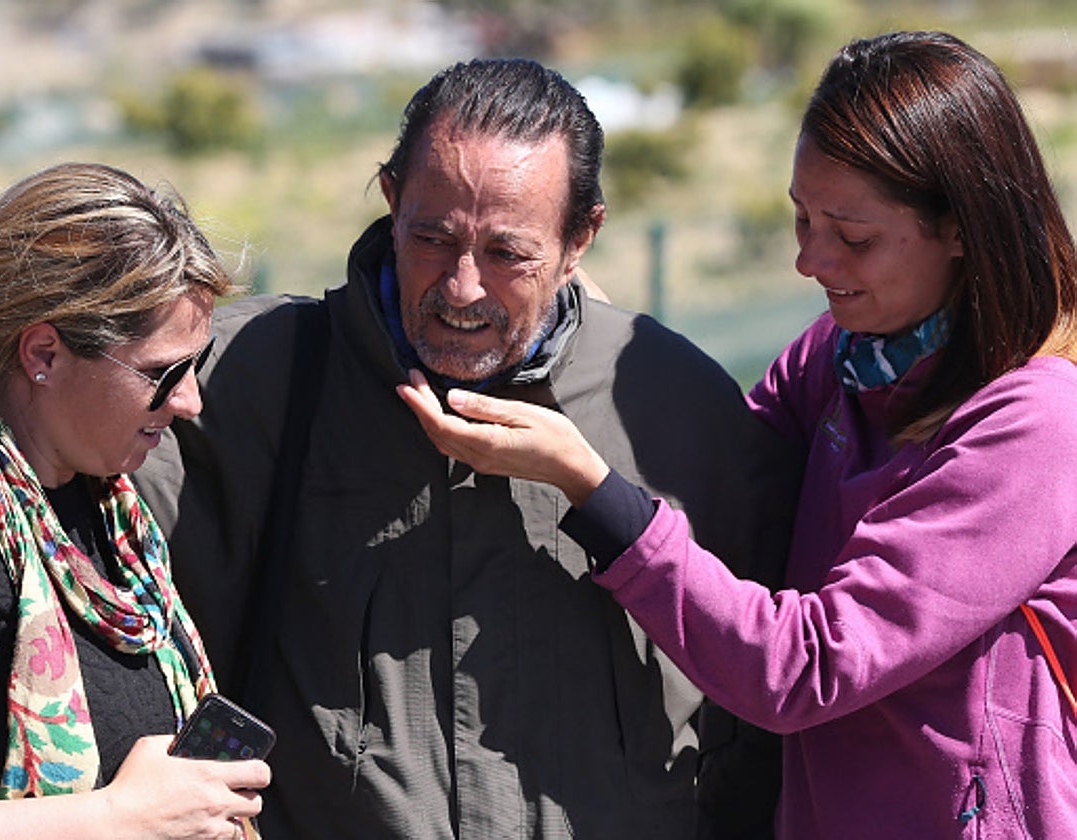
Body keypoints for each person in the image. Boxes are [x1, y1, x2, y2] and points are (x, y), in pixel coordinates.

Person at [398, 31, 1077, 838]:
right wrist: (585, 332)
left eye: (852, 237)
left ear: (964, 227)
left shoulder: (1037, 425)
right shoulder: (841, 359)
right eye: (801, 219)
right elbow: (723, 480)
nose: (810, 260)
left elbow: (803, 669)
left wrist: (587, 485)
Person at [136, 58, 800, 838]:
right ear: (390, 198)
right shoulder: (245, 381)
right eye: (432, 238)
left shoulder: (672, 404)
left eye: (506, 255)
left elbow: (766, 705)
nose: (461, 288)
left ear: (580, 237)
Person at [0, 161, 269, 838]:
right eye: (161, 372)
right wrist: (119, 816)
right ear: (44, 355)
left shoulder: (102, 504)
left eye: (195, 367)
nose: (189, 401)